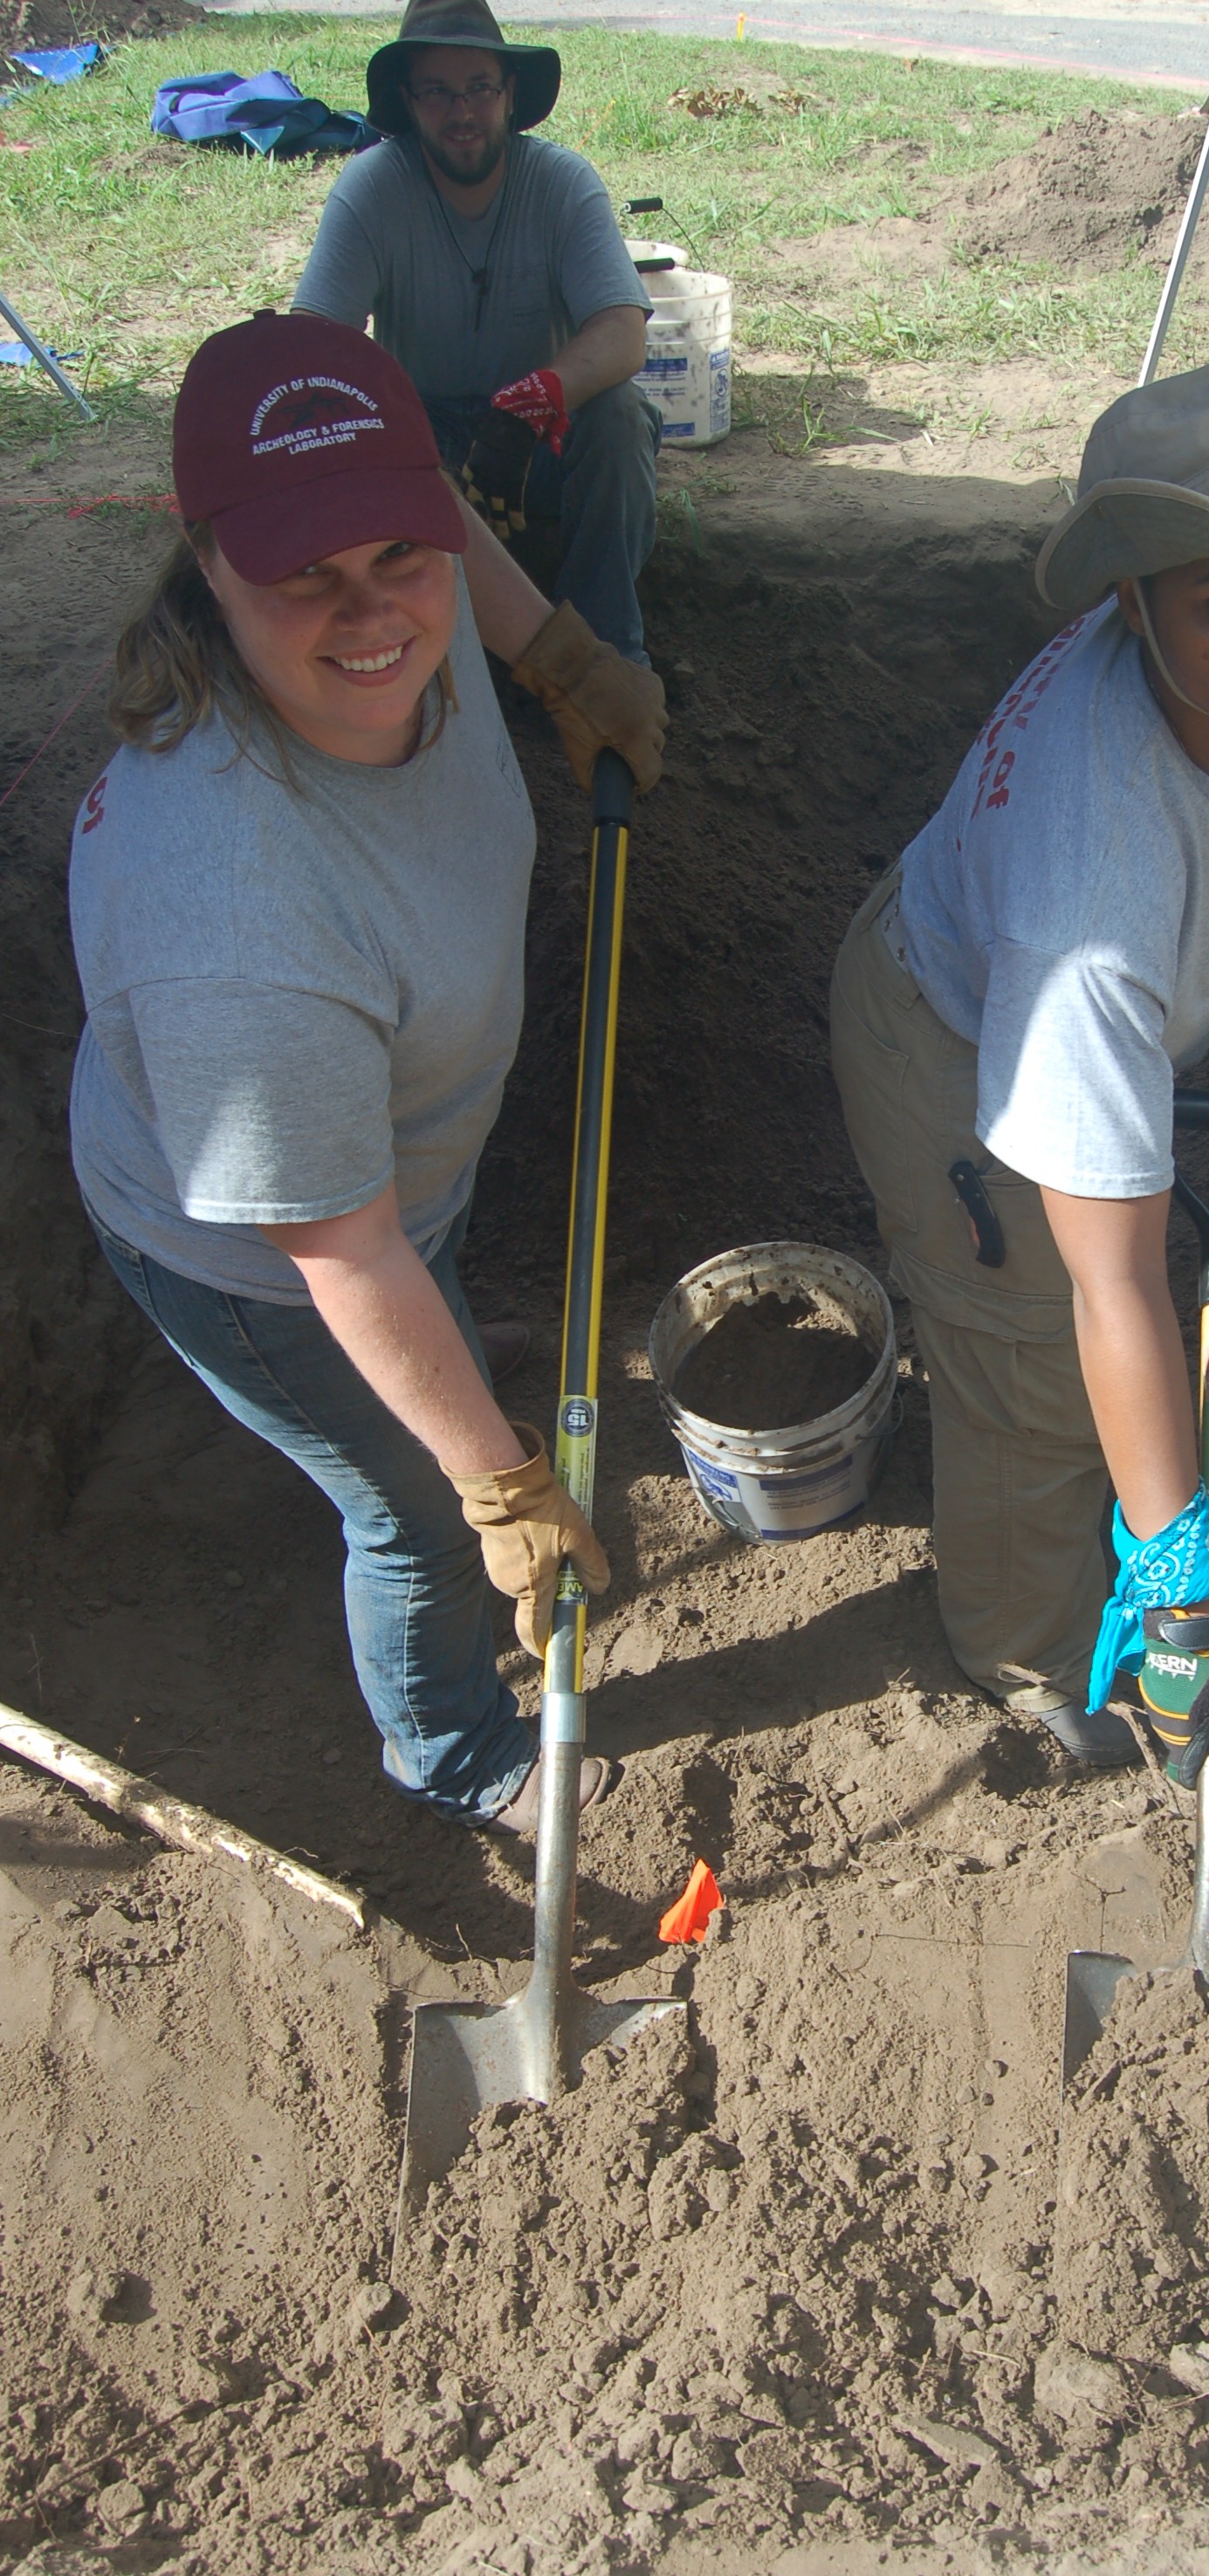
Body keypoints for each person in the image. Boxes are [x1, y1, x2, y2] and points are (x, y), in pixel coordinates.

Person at [67, 311, 665, 1838]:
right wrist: (504, 1493)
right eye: (307, 579)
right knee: (406, 1506)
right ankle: (457, 1749)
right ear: (210, 561)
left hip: (382, 1160)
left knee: (422, 1309)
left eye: (398, 553)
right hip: (266, 1257)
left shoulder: (403, 563)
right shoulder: (234, 914)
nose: (375, 611)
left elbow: (437, 528)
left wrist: (560, 654)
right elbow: (341, 1247)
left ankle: (445, 1375)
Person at [829, 354, 1209, 1778]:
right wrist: (1187, 1597)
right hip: (951, 1035)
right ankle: (1028, 1657)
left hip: (1060, 983)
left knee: (1095, 1343)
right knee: (1038, 1363)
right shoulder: (1089, 910)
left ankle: (1105, 1594)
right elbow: (1113, 1281)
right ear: (1138, 603)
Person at [293, 0, 660, 663]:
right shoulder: (371, 188)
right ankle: (436, 657)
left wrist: (532, 401)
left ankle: (606, 656)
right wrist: (396, 442)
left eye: (479, 89)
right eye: (436, 91)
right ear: (407, 101)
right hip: (421, 436)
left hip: (546, 430)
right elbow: (313, 345)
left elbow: (623, 331)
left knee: (621, 419)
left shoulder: (561, 182)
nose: (461, 112)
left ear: (510, 93)